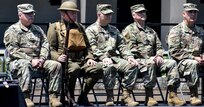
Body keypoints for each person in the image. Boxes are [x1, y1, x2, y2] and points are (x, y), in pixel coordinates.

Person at [122, 4, 186, 106]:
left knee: (172, 63)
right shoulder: (129, 30)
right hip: (137, 61)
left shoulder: (151, 31)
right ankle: (149, 96)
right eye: (140, 12)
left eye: (144, 12)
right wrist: (150, 58)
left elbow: (159, 47)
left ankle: (172, 95)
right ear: (133, 15)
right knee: (150, 63)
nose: (143, 14)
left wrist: (159, 55)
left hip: (153, 60)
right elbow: (130, 49)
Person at [3, 3, 62, 107]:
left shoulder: (37, 29)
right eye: (28, 14)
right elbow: (13, 50)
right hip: (17, 62)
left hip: (38, 61)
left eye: (32, 14)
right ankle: (25, 97)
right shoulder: (12, 31)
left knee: (56, 65)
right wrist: (31, 60)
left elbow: (45, 44)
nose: (31, 16)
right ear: (20, 15)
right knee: (24, 64)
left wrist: (42, 59)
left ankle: (53, 97)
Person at [47, 1, 103, 106]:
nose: (75, 15)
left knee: (98, 69)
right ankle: (70, 96)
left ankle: (83, 96)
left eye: (75, 13)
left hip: (81, 60)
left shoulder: (80, 27)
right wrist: (58, 57)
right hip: (67, 62)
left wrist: (89, 58)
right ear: (63, 14)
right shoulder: (55, 27)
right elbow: (50, 48)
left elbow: (87, 46)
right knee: (75, 68)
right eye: (72, 13)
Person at [85, 4, 139, 106]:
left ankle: (126, 96)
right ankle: (110, 96)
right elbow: (92, 47)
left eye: (110, 14)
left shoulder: (114, 30)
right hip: (98, 59)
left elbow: (123, 46)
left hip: (114, 58)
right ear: (99, 14)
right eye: (106, 14)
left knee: (132, 66)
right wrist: (103, 57)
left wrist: (129, 57)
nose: (109, 16)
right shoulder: (90, 30)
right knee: (108, 67)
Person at [167, 3, 203, 106]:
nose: (193, 14)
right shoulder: (176, 30)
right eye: (190, 12)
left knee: (194, 63)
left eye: (195, 12)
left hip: (199, 61)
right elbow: (174, 51)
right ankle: (194, 96)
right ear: (183, 14)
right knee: (192, 63)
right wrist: (193, 58)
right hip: (180, 63)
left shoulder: (200, 31)